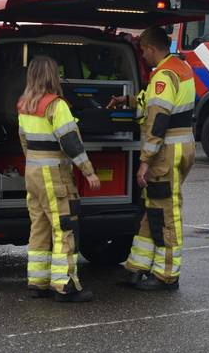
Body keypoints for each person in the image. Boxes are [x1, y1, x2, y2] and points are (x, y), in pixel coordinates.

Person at [108, 26, 196, 291]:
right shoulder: (178, 68)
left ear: (149, 47)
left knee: (167, 213)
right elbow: (153, 102)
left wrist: (145, 161)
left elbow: (158, 119)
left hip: (165, 151)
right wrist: (127, 100)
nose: (142, 56)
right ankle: (137, 267)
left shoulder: (164, 75)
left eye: (142, 50)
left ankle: (167, 275)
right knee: (154, 208)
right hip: (179, 147)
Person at [17, 55, 102, 302]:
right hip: (54, 174)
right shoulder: (56, 105)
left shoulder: (24, 104)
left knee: (39, 227)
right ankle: (65, 286)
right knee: (65, 227)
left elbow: (24, 140)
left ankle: (37, 282)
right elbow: (71, 143)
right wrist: (89, 171)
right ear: (52, 76)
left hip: (32, 173)